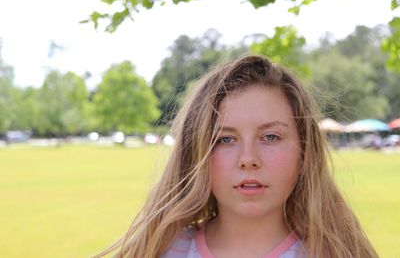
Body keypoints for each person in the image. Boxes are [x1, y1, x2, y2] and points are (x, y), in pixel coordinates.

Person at [95, 56, 378, 258]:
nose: (248, 159)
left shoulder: (335, 253)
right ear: (196, 155)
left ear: (304, 154)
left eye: (270, 137)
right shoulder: (161, 251)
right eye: (224, 139)